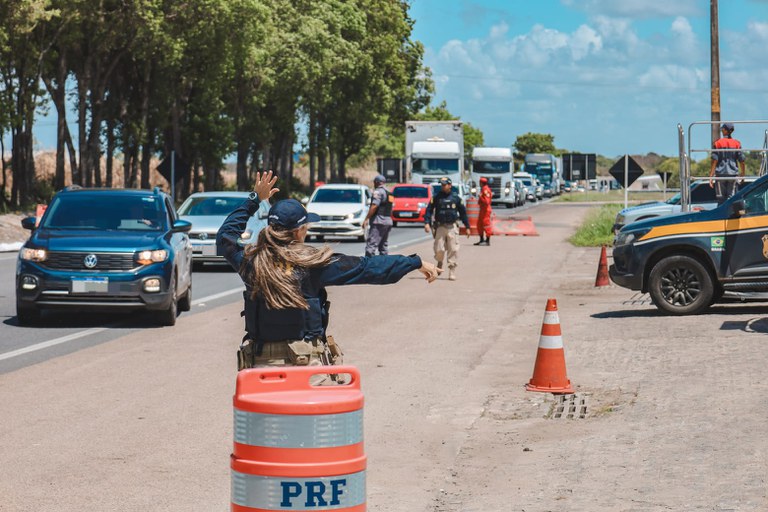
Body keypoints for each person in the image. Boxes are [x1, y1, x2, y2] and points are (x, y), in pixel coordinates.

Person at [217, 171, 440, 370]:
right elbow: (370, 268)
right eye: (305, 227)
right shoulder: (314, 263)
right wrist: (414, 263)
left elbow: (226, 236)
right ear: (298, 232)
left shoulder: (251, 261)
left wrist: (254, 199)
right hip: (305, 364)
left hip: (260, 366)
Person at [424, 177, 471, 281]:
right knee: (439, 249)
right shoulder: (436, 197)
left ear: (449, 185)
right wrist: (427, 223)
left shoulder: (456, 198)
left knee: (453, 249)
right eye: (441, 184)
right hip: (440, 226)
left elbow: (463, 213)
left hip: (452, 226)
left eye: (444, 184)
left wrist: (467, 227)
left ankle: (452, 271)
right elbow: (429, 210)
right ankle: (439, 262)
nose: (443, 186)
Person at [709, 122, 746, 204]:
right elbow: (742, 160)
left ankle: (721, 216)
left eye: (723, 129)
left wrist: (711, 175)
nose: (722, 130)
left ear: (725, 130)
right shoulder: (737, 143)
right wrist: (743, 174)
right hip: (733, 174)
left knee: (721, 199)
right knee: (731, 199)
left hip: (720, 174)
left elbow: (714, 160)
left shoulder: (717, 143)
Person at [362, 174, 393, 257]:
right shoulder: (389, 192)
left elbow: (374, 205)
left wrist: (366, 218)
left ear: (376, 182)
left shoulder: (378, 191)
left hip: (379, 221)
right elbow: (390, 208)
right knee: (383, 246)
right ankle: (384, 265)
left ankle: (368, 265)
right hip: (388, 221)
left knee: (371, 246)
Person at [474, 176, 493, 246]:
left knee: (486, 224)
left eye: (480, 182)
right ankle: (481, 239)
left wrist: (480, 197)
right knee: (479, 224)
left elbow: (487, 202)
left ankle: (487, 240)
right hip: (482, 209)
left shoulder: (486, 190)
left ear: (481, 183)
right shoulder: (483, 189)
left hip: (486, 210)